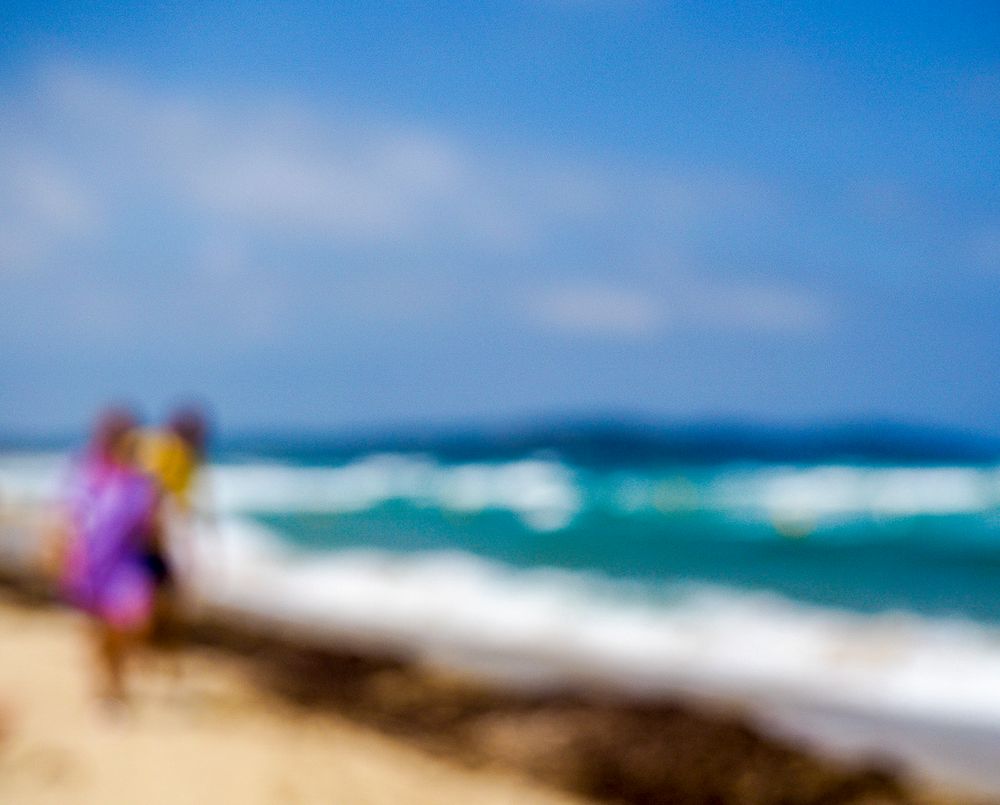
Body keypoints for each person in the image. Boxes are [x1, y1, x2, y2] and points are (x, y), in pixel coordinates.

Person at [59, 408, 162, 706]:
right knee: (100, 632)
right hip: (93, 563)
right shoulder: (88, 474)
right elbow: (71, 519)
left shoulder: (141, 479)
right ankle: (109, 686)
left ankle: (117, 683)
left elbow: (151, 527)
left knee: (129, 625)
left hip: (127, 564)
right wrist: (64, 555)